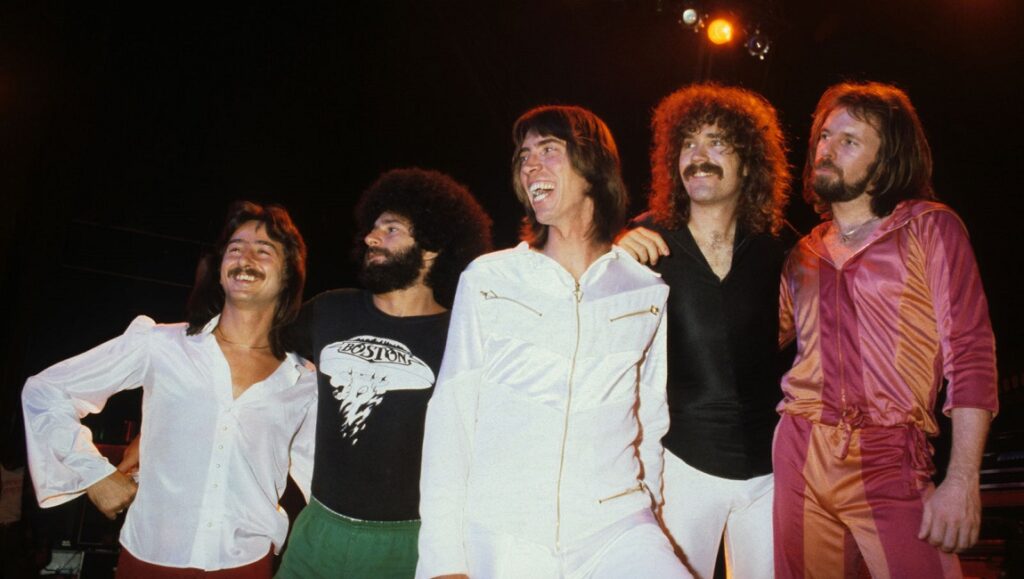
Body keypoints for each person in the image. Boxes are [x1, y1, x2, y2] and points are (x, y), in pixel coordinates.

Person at [417, 105, 689, 579]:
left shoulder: (644, 290)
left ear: (593, 168)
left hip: (616, 522)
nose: (530, 165)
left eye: (549, 150)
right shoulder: (490, 278)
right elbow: (451, 419)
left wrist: (655, 518)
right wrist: (444, 560)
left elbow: (649, 418)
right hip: (507, 528)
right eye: (524, 156)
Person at [773, 82, 998, 578]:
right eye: (824, 137)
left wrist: (962, 478)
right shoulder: (801, 252)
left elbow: (971, 353)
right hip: (801, 452)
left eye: (849, 140)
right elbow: (749, 339)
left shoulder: (931, 228)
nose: (827, 149)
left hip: (890, 457)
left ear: (887, 156)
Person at [22, 201, 316, 578]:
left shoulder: (304, 380)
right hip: (149, 560)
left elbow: (325, 484)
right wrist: (93, 474)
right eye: (235, 248)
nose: (245, 258)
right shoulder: (161, 345)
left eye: (264, 250)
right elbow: (46, 392)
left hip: (246, 564)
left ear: (290, 272)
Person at [274, 168, 492, 579]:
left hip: (405, 545)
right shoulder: (331, 310)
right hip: (317, 529)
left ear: (431, 248)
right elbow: (249, 347)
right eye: (372, 229)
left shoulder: (461, 336)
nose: (371, 238)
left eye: (390, 229)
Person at [617, 83, 791, 579]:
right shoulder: (644, 243)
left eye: (717, 142)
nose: (698, 156)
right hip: (681, 467)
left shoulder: (779, 249)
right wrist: (615, 259)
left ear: (749, 160)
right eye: (688, 144)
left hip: (770, 474)